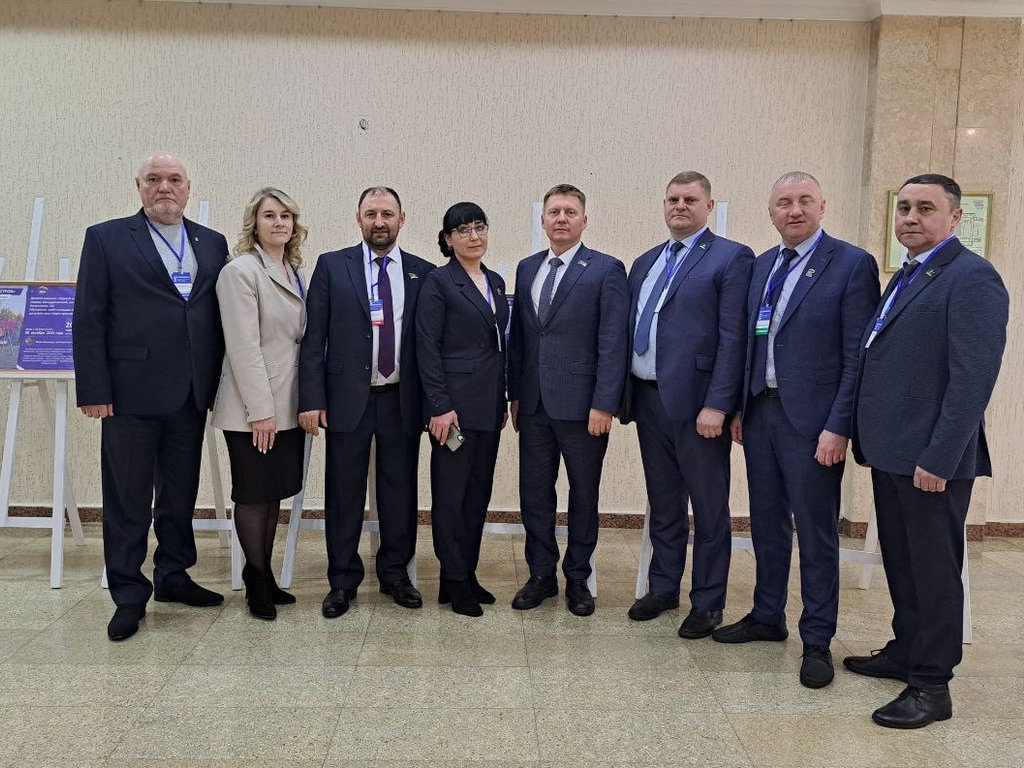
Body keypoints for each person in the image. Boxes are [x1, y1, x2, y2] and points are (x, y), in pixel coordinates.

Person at [847, 174, 1008, 728]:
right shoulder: (907, 274)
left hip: (931, 459)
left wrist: (939, 457)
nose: (911, 218)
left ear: (956, 217)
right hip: (891, 451)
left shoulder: (972, 277)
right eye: (905, 208)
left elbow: (971, 381)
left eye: (925, 208)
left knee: (935, 572)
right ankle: (906, 649)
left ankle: (932, 684)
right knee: (903, 561)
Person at [714, 172, 879, 690]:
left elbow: (856, 357)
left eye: (805, 200)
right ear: (771, 213)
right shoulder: (762, 266)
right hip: (760, 414)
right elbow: (750, 342)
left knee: (814, 531)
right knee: (765, 523)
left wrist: (839, 425)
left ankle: (817, 637)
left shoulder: (850, 264)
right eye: (784, 203)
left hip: (814, 425)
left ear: (822, 206)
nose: (794, 210)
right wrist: (739, 408)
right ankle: (767, 616)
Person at [73, 151, 228, 641]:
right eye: (155, 179)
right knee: (128, 498)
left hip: (190, 391)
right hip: (129, 394)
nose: (165, 187)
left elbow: (216, 316)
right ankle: (127, 594)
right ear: (138, 186)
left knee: (179, 493)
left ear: (188, 188)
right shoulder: (106, 238)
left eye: (175, 179)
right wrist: (94, 389)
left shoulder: (212, 242)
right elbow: (89, 318)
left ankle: (173, 575)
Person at [620, 172, 753, 638]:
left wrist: (719, 403)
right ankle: (662, 588)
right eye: (673, 199)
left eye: (690, 199)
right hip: (648, 398)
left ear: (709, 206)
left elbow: (734, 338)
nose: (680, 206)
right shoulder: (646, 261)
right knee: (664, 502)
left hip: (699, 407)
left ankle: (708, 601)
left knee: (709, 507)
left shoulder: (731, 257)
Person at [298, 187, 434, 618]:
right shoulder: (331, 266)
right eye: (371, 213)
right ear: (358, 219)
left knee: (399, 492)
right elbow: (313, 338)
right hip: (345, 400)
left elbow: (430, 345)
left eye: (387, 214)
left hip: (401, 400)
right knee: (344, 492)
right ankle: (342, 581)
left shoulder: (422, 272)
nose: (379, 222)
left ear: (402, 219)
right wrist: (311, 398)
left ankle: (395, 574)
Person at [507, 184, 629, 616]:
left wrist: (605, 403)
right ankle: (541, 575)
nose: (561, 218)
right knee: (535, 493)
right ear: (542, 220)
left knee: (583, 494)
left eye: (570, 212)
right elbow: (521, 339)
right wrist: (515, 395)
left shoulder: (606, 269)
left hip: (584, 408)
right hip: (534, 405)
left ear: (584, 220)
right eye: (554, 212)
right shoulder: (526, 269)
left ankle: (578, 577)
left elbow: (613, 342)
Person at [211, 187, 308, 620]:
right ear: (255, 223)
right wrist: (260, 412)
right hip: (253, 408)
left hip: (287, 402)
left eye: (286, 216)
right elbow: (243, 347)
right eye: (270, 215)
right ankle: (255, 582)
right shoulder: (240, 272)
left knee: (273, 494)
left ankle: (265, 575)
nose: (279, 223)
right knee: (253, 494)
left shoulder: (293, 269)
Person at [416, 202, 509, 617]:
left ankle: (464, 574)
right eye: (464, 230)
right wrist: (440, 406)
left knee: (477, 496)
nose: (474, 236)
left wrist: (503, 399)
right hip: (451, 412)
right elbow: (427, 348)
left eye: (479, 227)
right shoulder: (438, 282)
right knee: (450, 498)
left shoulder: (496, 281)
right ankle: (453, 579)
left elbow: (499, 347)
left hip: (488, 407)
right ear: (448, 239)